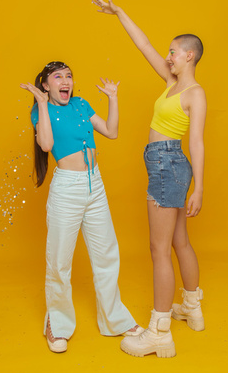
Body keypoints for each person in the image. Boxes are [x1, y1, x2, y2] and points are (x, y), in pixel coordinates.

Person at [92, 0, 207, 358]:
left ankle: (159, 333)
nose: (168, 55)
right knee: (178, 243)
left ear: (189, 55)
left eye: (173, 51)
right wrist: (118, 12)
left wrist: (200, 188)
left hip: (167, 164)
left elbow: (198, 143)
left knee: (159, 250)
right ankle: (191, 307)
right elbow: (142, 45)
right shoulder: (171, 81)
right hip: (165, 164)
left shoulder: (193, 93)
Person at [19, 61, 141, 353]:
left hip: (94, 185)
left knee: (106, 254)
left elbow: (111, 132)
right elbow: (46, 145)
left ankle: (115, 320)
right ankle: (57, 324)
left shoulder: (81, 105)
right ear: (46, 85)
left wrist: (113, 98)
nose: (66, 81)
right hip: (67, 189)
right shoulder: (42, 110)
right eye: (58, 77)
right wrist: (41, 103)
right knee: (60, 261)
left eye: (69, 76)